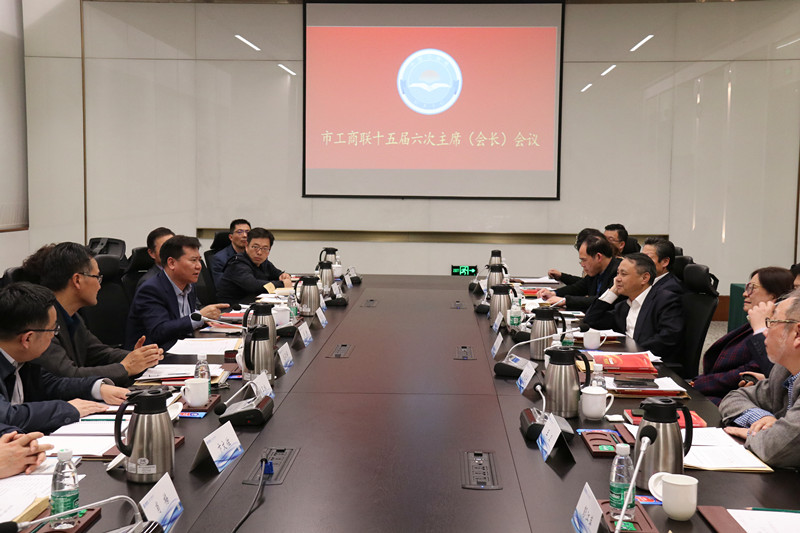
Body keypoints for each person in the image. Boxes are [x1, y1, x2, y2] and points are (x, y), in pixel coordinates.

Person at [0, 283, 129, 434]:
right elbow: (8, 416)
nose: (53, 335)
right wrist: (67, 409)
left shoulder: (21, 359)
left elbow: (52, 385)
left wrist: (97, 388)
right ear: (28, 339)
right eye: (53, 329)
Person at [31, 243, 163, 386]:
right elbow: (68, 375)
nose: (100, 285)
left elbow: (98, 353)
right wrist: (125, 368)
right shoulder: (41, 322)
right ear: (77, 280)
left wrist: (138, 356)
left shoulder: (72, 316)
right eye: (97, 277)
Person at [720, 289, 800, 468]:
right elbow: (734, 397)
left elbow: (775, 449)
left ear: (797, 333)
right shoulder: (783, 371)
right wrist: (761, 419)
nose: (764, 332)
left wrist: (754, 433)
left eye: (772, 322)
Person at [690, 267, 793, 404]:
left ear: (774, 296)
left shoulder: (773, 331)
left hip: (733, 398)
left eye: (752, 288)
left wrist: (698, 384)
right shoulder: (753, 323)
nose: (745, 294)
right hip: (715, 389)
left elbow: (747, 371)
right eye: (746, 288)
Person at [126, 235, 229, 351]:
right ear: (171, 263)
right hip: (155, 354)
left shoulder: (189, 285)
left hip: (183, 347)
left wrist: (206, 318)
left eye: (199, 260)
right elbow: (159, 331)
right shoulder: (151, 289)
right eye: (193, 260)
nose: (199, 266)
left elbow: (184, 319)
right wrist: (199, 318)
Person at [583, 253, 684, 364]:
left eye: (623, 274)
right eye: (617, 273)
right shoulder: (624, 306)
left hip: (653, 365)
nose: (617, 279)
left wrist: (630, 353)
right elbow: (591, 320)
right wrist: (613, 291)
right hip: (626, 360)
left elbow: (668, 338)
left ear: (644, 278)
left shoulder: (665, 300)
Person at [538, 235, 621, 311]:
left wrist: (565, 300)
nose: (582, 264)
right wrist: (553, 293)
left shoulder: (618, 272)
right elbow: (578, 288)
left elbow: (602, 300)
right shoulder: (596, 271)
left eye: (584, 260)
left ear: (598, 257)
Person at [216, 228, 292, 304]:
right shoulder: (237, 263)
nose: (259, 252)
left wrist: (283, 275)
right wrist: (282, 284)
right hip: (233, 308)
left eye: (265, 248)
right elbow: (252, 286)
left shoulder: (263, 262)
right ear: (246, 246)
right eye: (255, 247)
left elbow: (277, 274)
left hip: (252, 304)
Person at [210, 219, 251, 286]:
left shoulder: (256, 255)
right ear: (231, 237)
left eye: (247, 232)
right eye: (239, 232)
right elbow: (222, 285)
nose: (245, 235)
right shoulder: (220, 259)